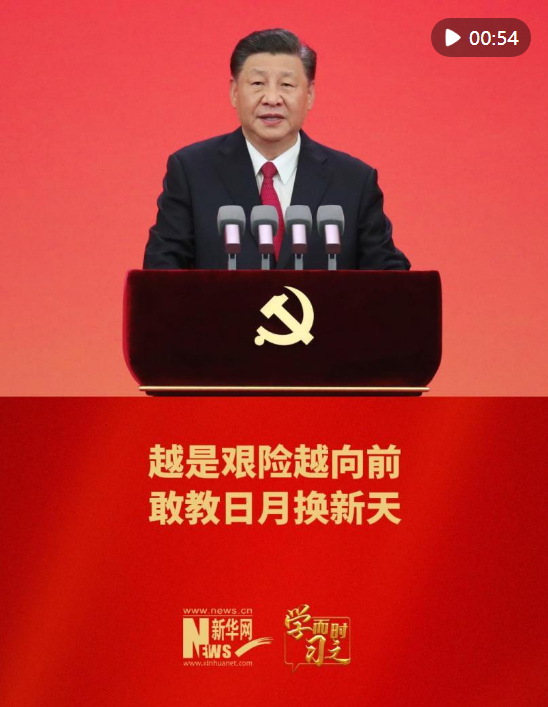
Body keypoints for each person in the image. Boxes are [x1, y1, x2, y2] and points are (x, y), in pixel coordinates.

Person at [143, 28, 410, 270]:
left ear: (310, 95)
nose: (272, 99)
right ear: (234, 92)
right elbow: (161, 270)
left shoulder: (354, 181)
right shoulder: (192, 172)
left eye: (287, 85)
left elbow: (389, 276)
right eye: (258, 84)